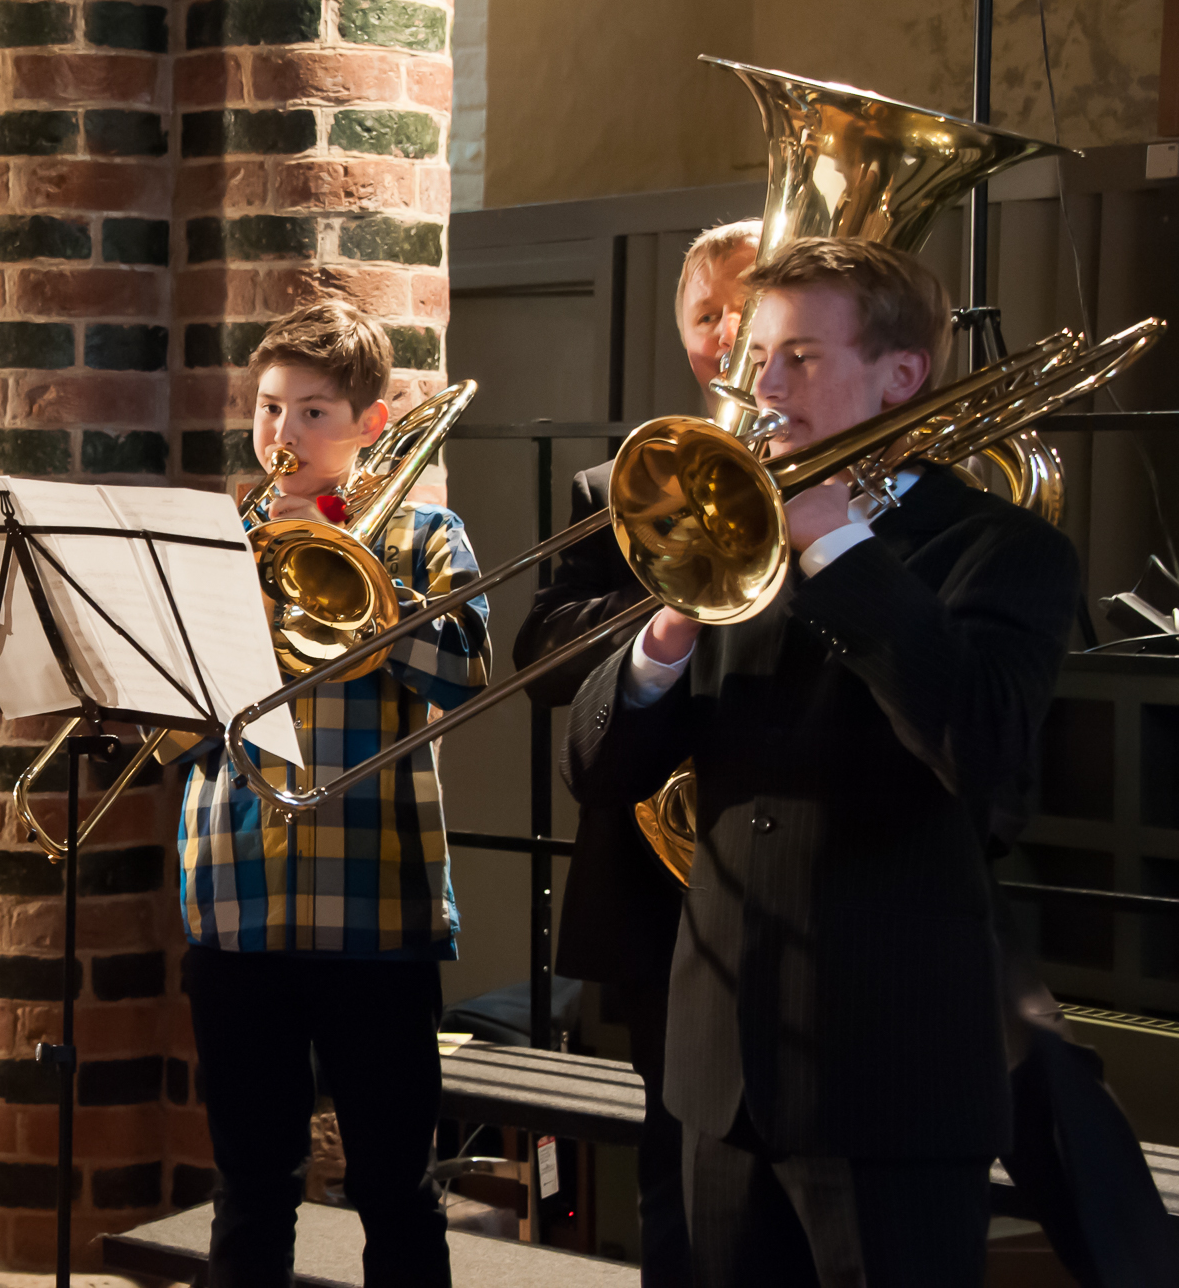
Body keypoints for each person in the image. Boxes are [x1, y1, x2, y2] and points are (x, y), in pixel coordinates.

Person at [564, 238, 1081, 1286]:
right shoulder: (728, 547)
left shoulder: (1003, 551)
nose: (758, 384)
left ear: (899, 376)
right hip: (716, 1078)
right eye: (755, 355)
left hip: (886, 1081)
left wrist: (837, 547)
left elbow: (978, 753)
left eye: (797, 355)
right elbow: (595, 767)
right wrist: (661, 637)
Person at [176, 300, 490, 1288]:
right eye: (268, 409)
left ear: (370, 421)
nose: (282, 434)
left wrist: (360, 586)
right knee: (249, 1182)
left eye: (312, 412)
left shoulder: (425, 534)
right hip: (236, 905)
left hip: (373, 908)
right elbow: (177, 714)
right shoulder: (214, 538)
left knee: (394, 1185)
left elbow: (465, 672)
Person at [512, 217, 757, 1287]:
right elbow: (540, 651)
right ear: (682, 338)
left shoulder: (845, 479)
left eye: (750, 304)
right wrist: (676, 587)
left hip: (799, 861)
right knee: (672, 1157)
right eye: (705, 313)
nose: (727, 329)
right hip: (663, 880)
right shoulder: (617, 485)